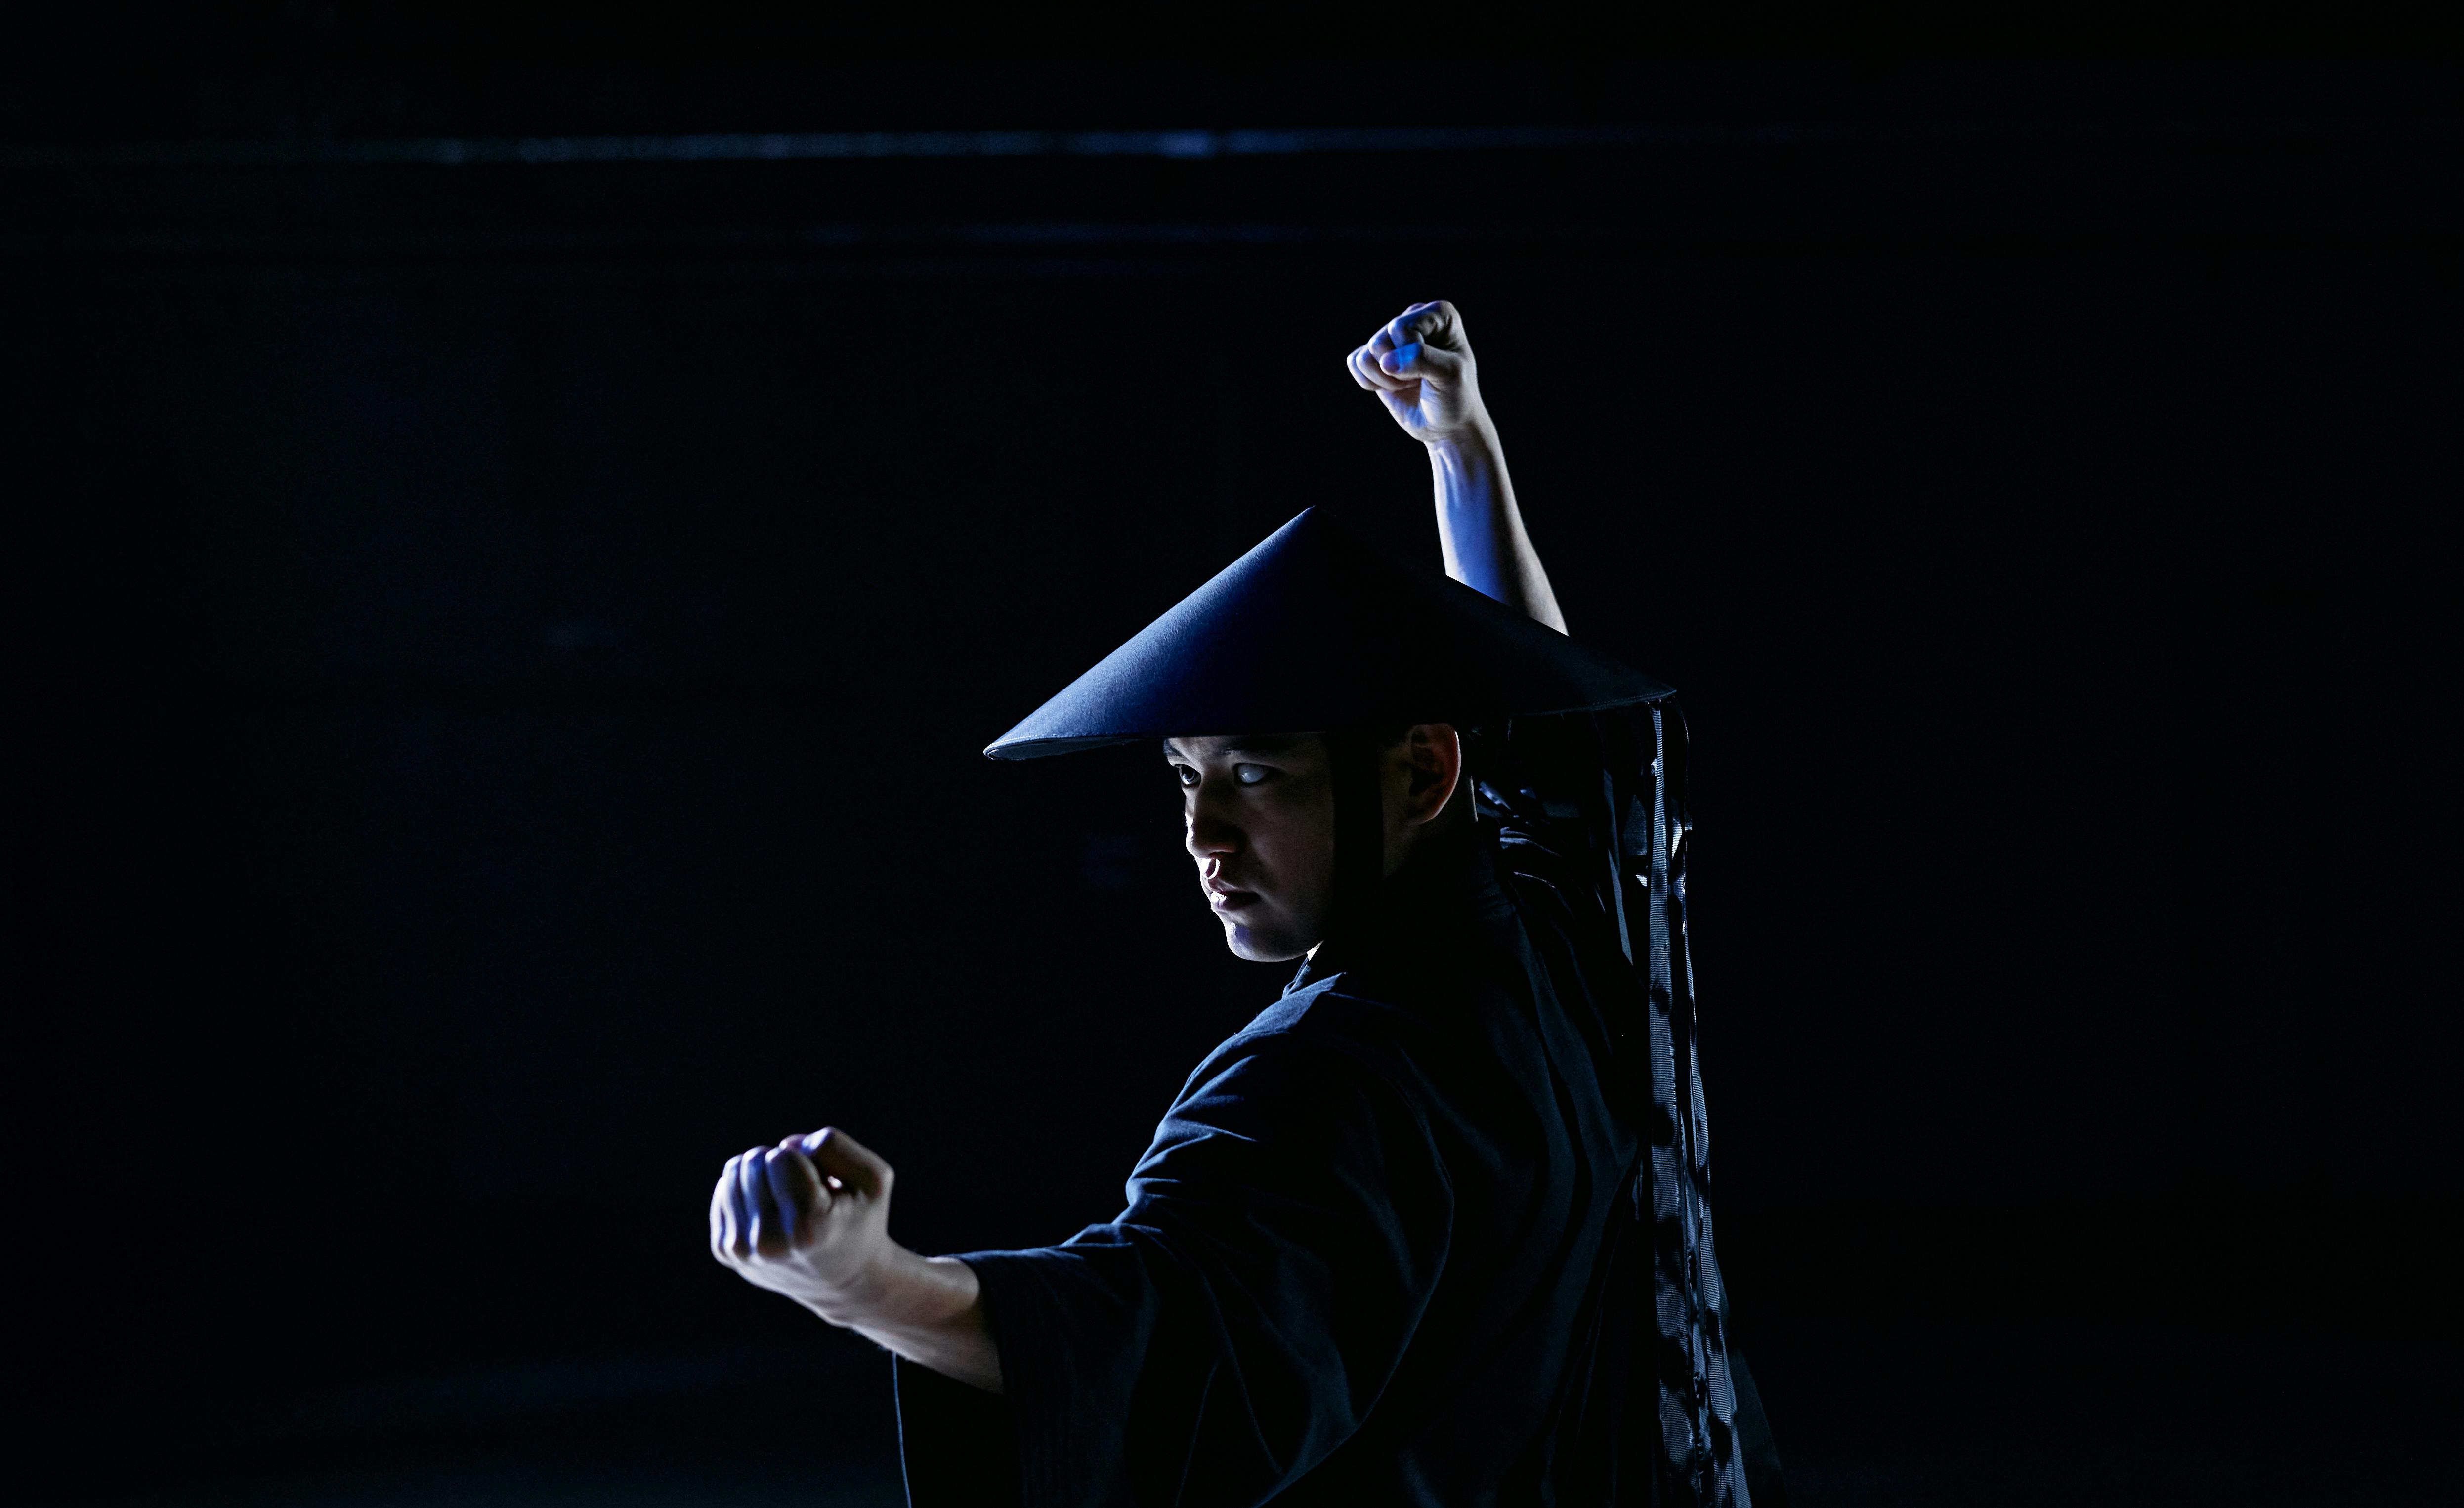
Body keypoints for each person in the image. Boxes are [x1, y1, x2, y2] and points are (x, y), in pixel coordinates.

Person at [710, 301, 1779, 1506]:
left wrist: (869, 1285)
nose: (1202, 834)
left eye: (1256, 775)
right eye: (1184, 778)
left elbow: (1167, 1322)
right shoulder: (1562, 946)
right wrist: (1460, 451)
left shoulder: (1334, 1075)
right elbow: (1554, 755)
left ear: (1425, 773)